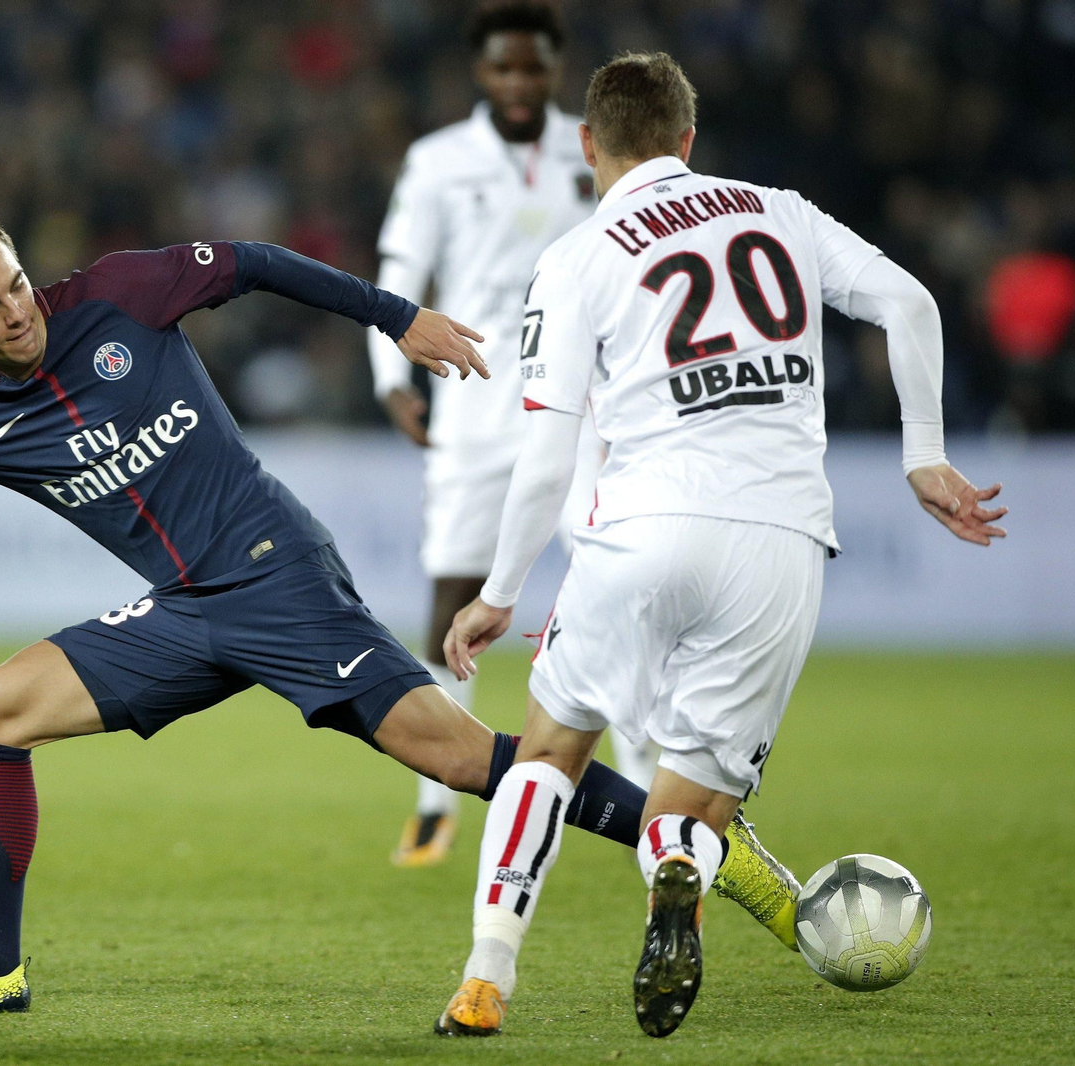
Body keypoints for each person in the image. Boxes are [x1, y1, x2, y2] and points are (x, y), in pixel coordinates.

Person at [0, 201, 796, 1015]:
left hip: (276, 572)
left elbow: (250, 261)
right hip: (186, 607)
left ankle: (690, 836)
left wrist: (395, 317)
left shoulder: (120, 294)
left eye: (14, 286)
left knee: (455, 757)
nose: (18, 314)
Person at [433, 52, 1008, 1039]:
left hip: (643, 524)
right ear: (688, 139)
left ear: (587, 145)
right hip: (782, 540)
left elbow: (545, 452)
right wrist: (923, 456)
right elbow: (909, 301)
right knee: (686, 803)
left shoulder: (577, 254)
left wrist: (498, 589)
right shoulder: (780, 210)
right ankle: (674, 870)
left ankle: (485, 979)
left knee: (547, 751)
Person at [367, 0, 656, 870]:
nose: (519, 83)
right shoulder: (438, 161)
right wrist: (390, 378)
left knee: (617, 572)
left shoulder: (593, 149)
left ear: (556, 71)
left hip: (581, 394)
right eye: (504, 68)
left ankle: (645, 777)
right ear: (479, 72)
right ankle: (432, 798)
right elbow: (398, 273)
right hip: (469, 396)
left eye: (534, 69)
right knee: (454, 586)